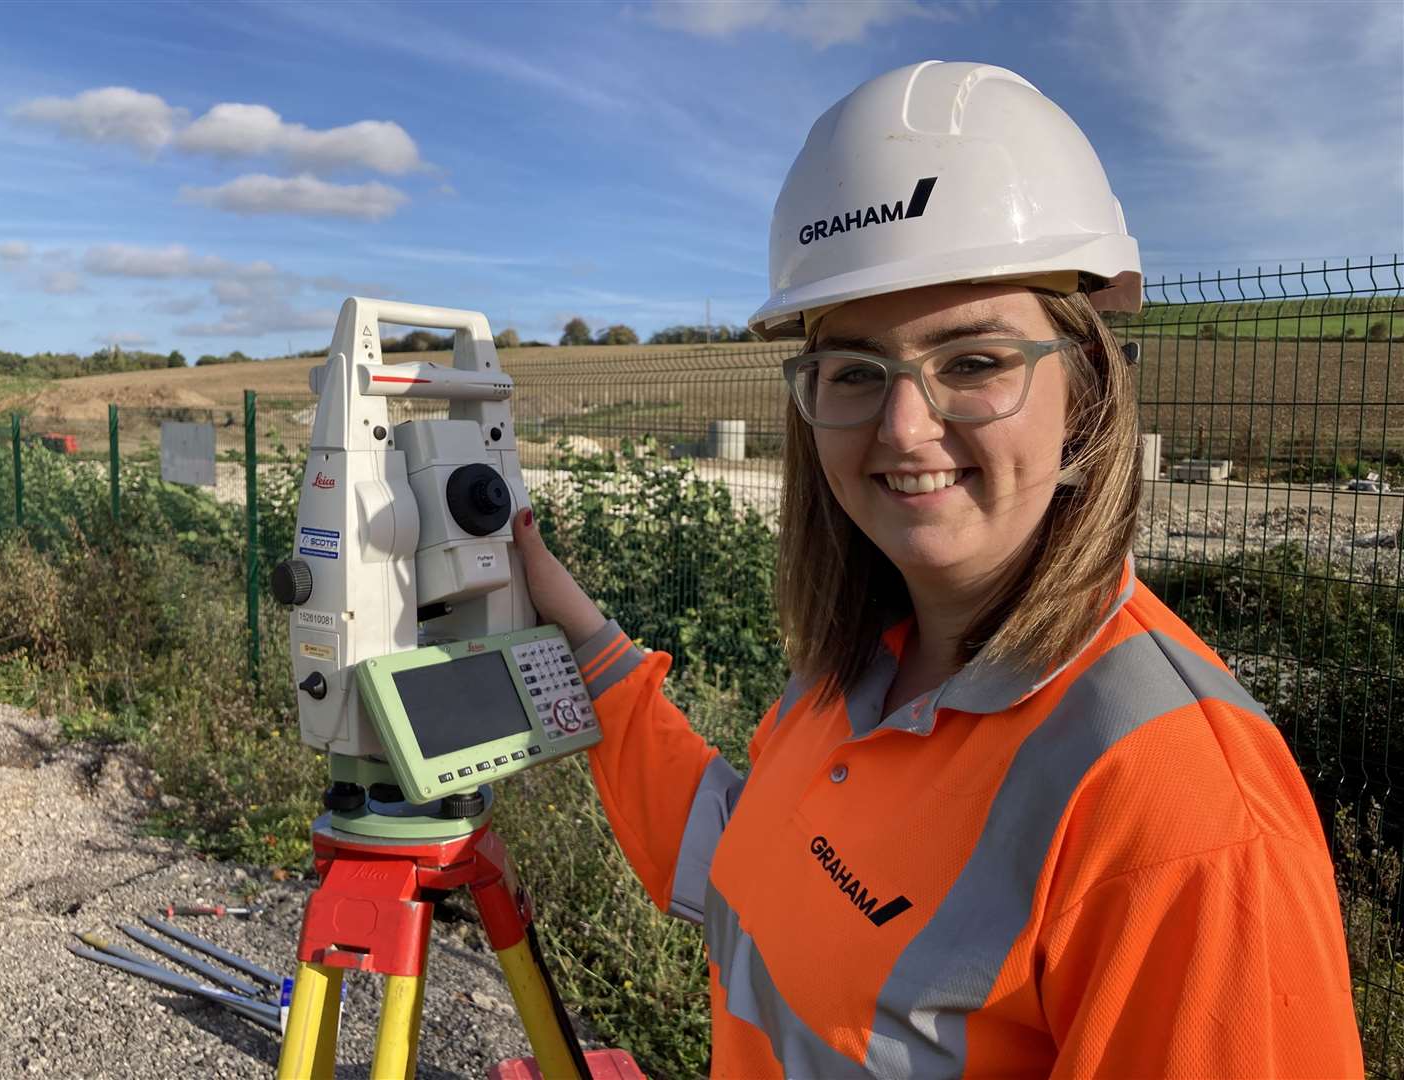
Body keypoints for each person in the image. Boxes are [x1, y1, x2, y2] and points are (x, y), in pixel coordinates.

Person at [513, 61, 1364, 1077]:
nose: (904, 427)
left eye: (973, 361)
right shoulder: (862, 672)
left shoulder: (1186, 817)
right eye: (856, 370)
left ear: (1087, 388)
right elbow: (741, 867)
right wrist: (581, 637)